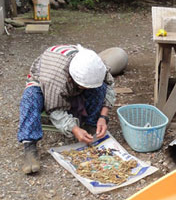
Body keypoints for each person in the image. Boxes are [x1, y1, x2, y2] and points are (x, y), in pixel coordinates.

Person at [18, 44, 116, 174]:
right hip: (41, 81)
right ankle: (29, 147)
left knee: (99, 88)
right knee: (30, 98)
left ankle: (91, 126)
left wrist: (103, 117)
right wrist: (74, 129)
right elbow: (54, 110)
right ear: (72, 79)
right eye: (83, 87)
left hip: (69, 81)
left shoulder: (96, 67)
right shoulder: (55, 80)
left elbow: (109, 87)